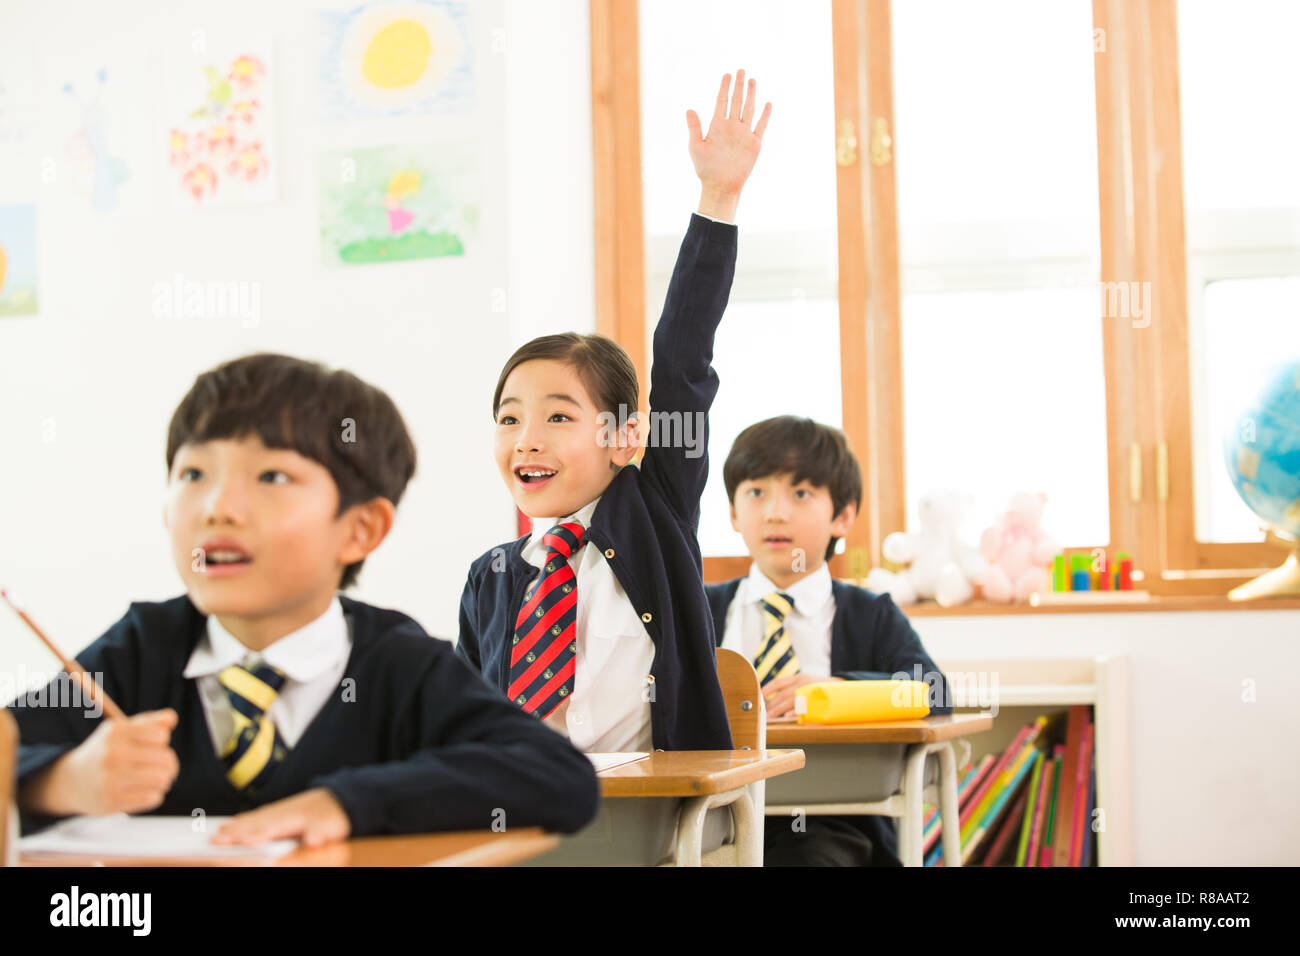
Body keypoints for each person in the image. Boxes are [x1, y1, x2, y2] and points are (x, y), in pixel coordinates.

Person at [13, 353, 599, 847]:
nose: (218, 507)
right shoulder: (140, 650)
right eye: (194, 475)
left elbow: (557, 777)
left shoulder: (398, 665)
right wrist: (61, 781)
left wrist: (346, 802)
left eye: (270, 478)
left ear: (360, 529)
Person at [457, 71, 771, 752]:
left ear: (625, 437)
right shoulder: (492, 577)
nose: (527, 439)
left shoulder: (655, 513)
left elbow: (682, 358)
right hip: (527, 830)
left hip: (650, 829)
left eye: (559, 417)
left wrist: (718, 197)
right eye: (510, 419)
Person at [706, 415, 953, 865]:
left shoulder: (870, 613)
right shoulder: (699, 610)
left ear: (843, 515)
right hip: (712, 814)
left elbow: (935, 692)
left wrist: (844, 690)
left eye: (800, 493)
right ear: (733, 513)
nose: (775, 512)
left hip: (832, 820)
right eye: (756, 492)